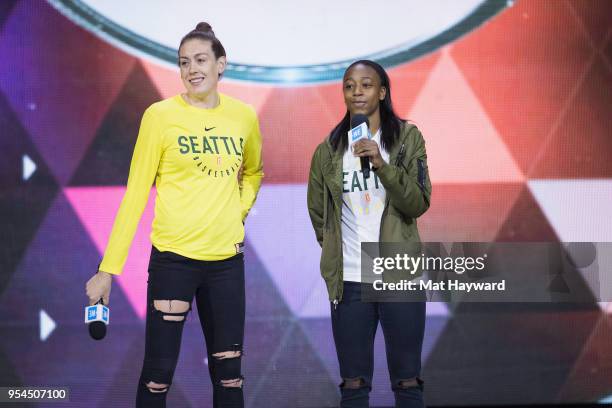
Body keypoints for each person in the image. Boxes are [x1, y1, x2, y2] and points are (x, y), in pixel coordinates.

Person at [85, 22, 263, 408]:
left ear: (221, 65)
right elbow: (135, 194)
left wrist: (239, 210)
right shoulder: (160, 116)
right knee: (157, 378)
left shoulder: (244, 117)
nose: (192, 69)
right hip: (173, 262)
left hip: (226, 264)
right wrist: (107, 269)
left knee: (230, 378)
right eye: (184, 63)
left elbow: (254, 171)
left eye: (201, 60)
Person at [307, 60, 432, 407]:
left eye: (365, 85)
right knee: (353, 384)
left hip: (398, 277)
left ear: (382, 92)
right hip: (350, 279)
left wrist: (381, 164)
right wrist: (338, 252)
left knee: (407, 383)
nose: (357, 91)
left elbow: (418, 202)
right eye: (349, 85)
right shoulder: (328, 151)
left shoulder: (407, 139)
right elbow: (320, 215)